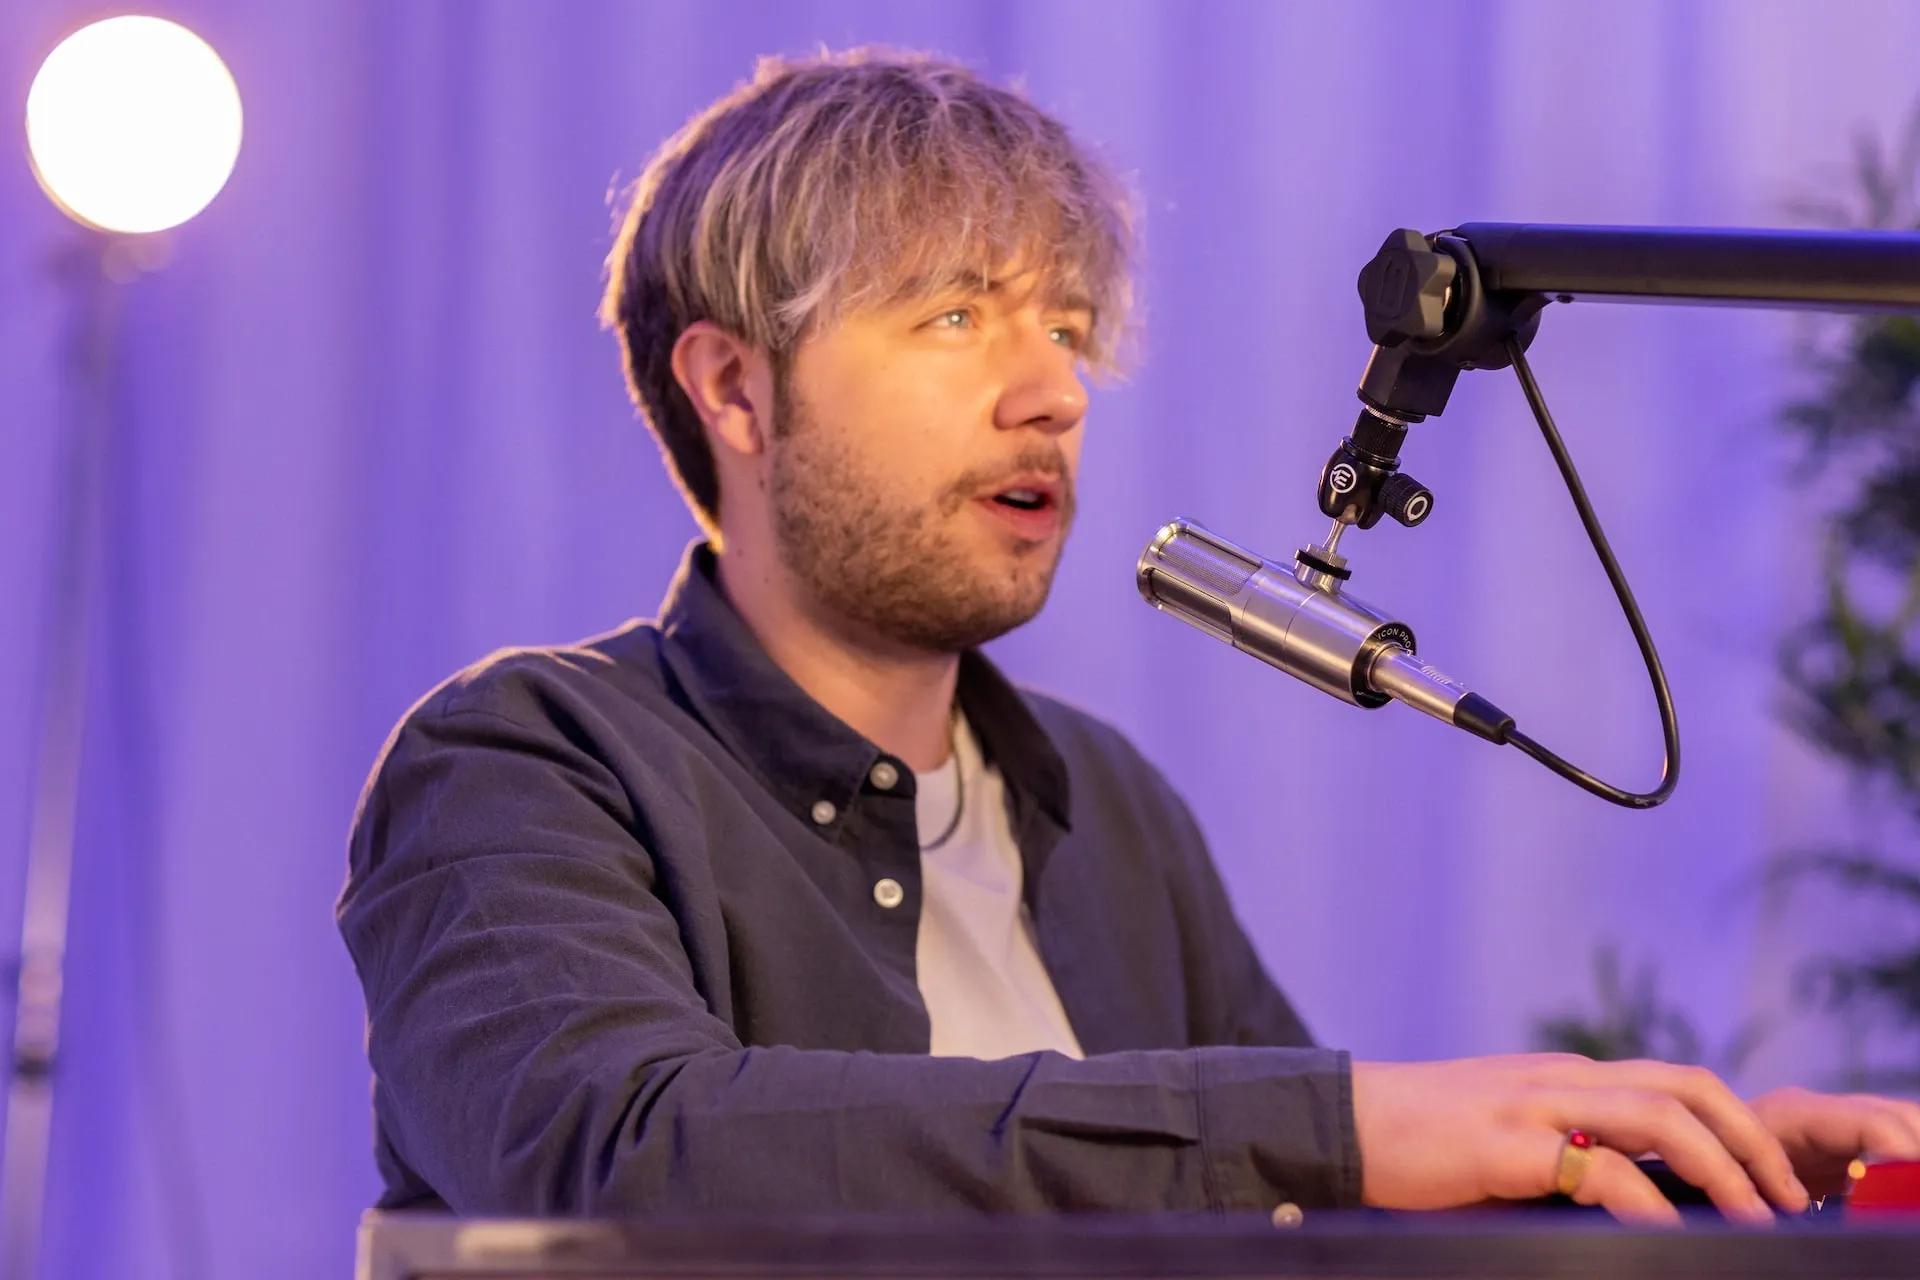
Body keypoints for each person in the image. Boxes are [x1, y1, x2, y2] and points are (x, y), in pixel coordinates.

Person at [337, 48, 1920, 1224]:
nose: (1054, 391)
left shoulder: (1104, 806)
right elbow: (626, 1157)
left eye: (1070, 327)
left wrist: (1693, 1185)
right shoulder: (524, 763)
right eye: (955, 314)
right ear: (736, 388)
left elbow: (1322, 1207)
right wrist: (1332, 1126)